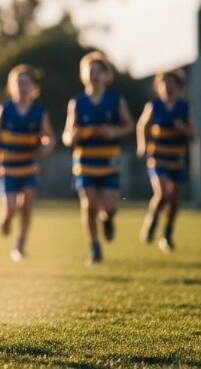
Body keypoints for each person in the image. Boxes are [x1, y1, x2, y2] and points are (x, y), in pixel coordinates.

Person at [62, 52, 133, 265]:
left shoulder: (115, 100)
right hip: (84, 162)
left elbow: (129, 125)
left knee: (110, 206)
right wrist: (71, 137)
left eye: (98, 71)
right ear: (83, 76)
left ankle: (108, 220)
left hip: (109, 161)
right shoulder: (77, 103)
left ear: (106, 76)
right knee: (89, 205)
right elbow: (66, 136)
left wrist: (113, 132)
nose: (93, 75)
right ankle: (94, 247)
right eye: (89, 71)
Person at [0, 65, 55, 261]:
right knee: (10, 209)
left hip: (29, 167)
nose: (22, 86)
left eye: (26, 82)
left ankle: (20, 244)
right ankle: (5, 220)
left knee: (26, 207)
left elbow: (49, 136)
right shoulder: (4, 109)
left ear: (33, 87)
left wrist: (46, 147)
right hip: (7, 168)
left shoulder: (39, 112)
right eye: (18, 82)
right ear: (11, 87)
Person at [137, 70, 193, 252]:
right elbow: (142, 126)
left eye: (171, 83)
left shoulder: (184, 107)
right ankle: (152, 219)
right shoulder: (153, 106)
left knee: (175, 200)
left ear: (178, 86)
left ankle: (167, 235)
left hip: (176, 159)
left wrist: (182, 128)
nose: (167, 87)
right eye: (164, 83)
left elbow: (193, 133)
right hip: (157, 158)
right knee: (162, 194)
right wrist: (142, 145)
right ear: (158, 87)